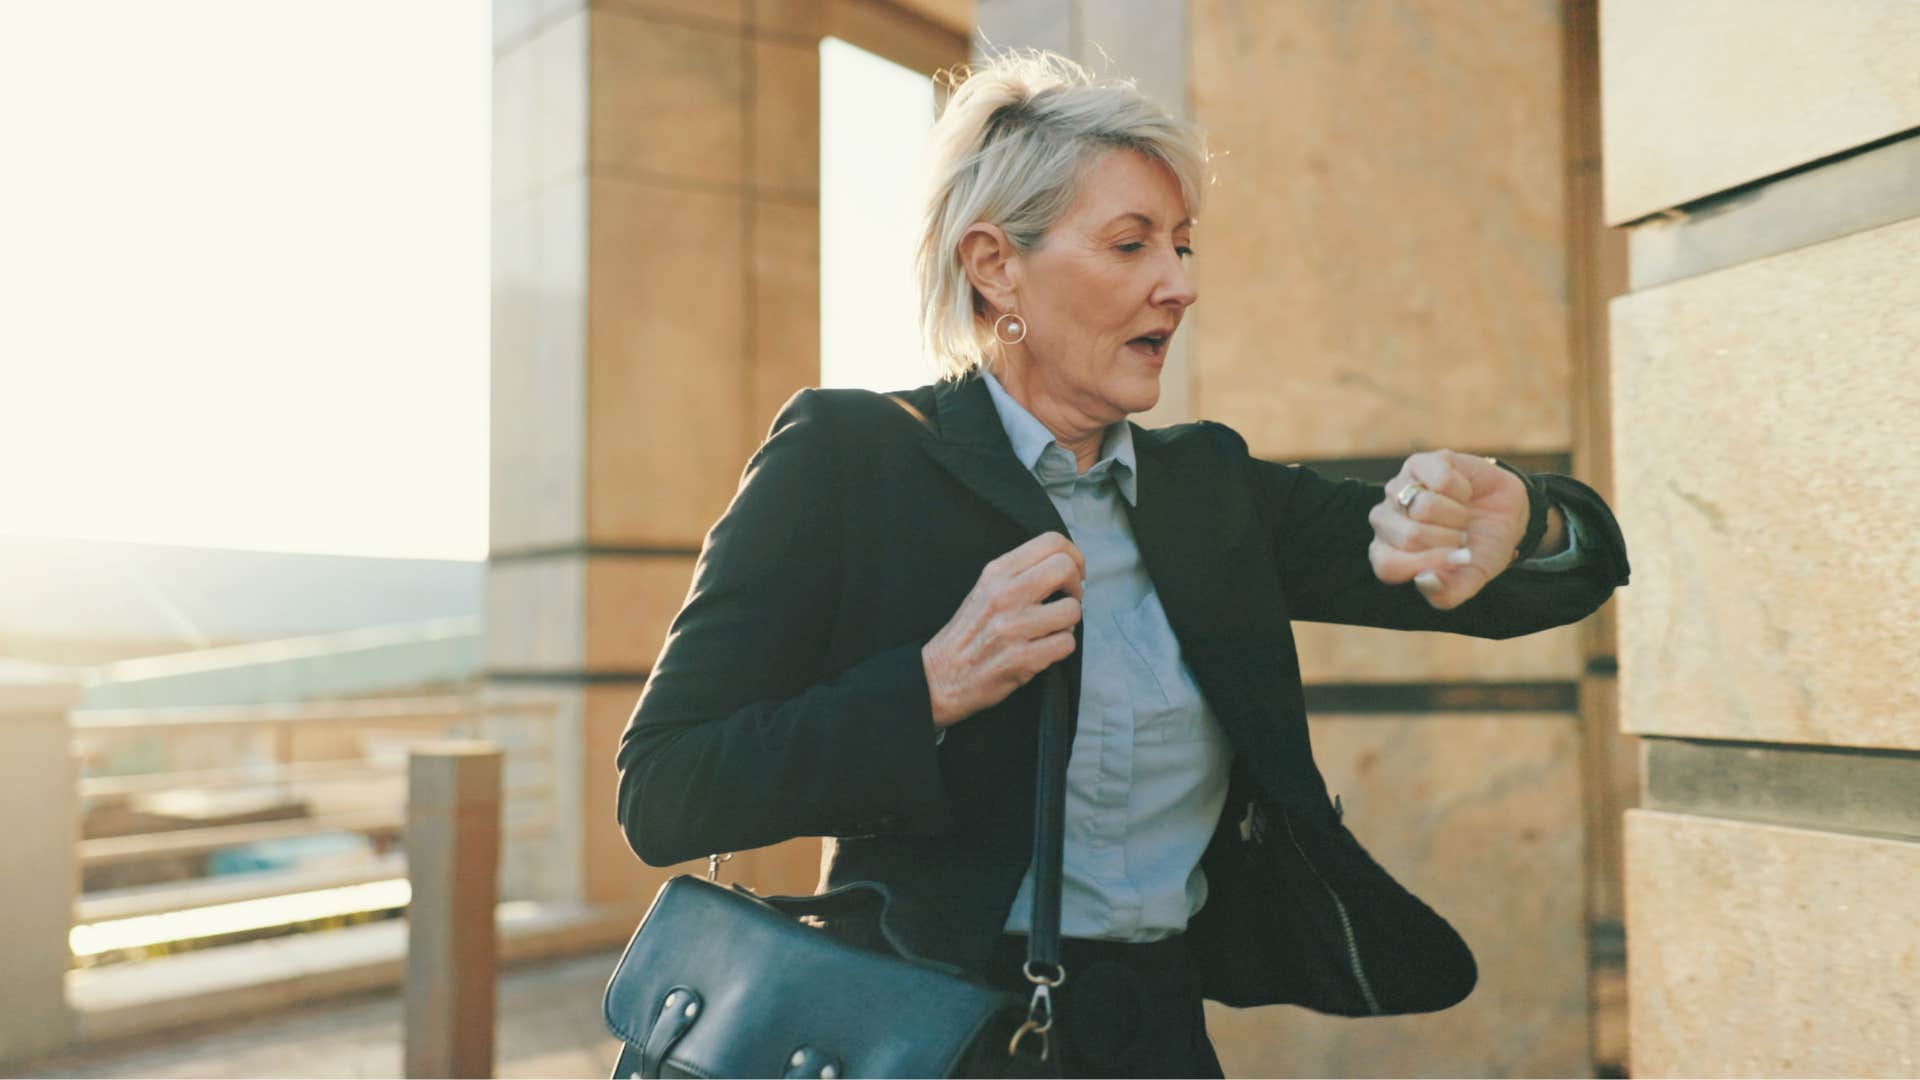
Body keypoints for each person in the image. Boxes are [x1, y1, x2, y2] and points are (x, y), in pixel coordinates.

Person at [616, 50, 1629, 1078]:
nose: (1179, 285)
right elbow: (665, 791)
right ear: (995, 265)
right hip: (921, 1034)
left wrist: (1530, 518)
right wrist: (927, 688)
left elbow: (1519, 576)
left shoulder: (1213, 490)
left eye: (1183, 246)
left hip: (1155, 1033)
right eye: (1132, 244)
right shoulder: (846, 459)